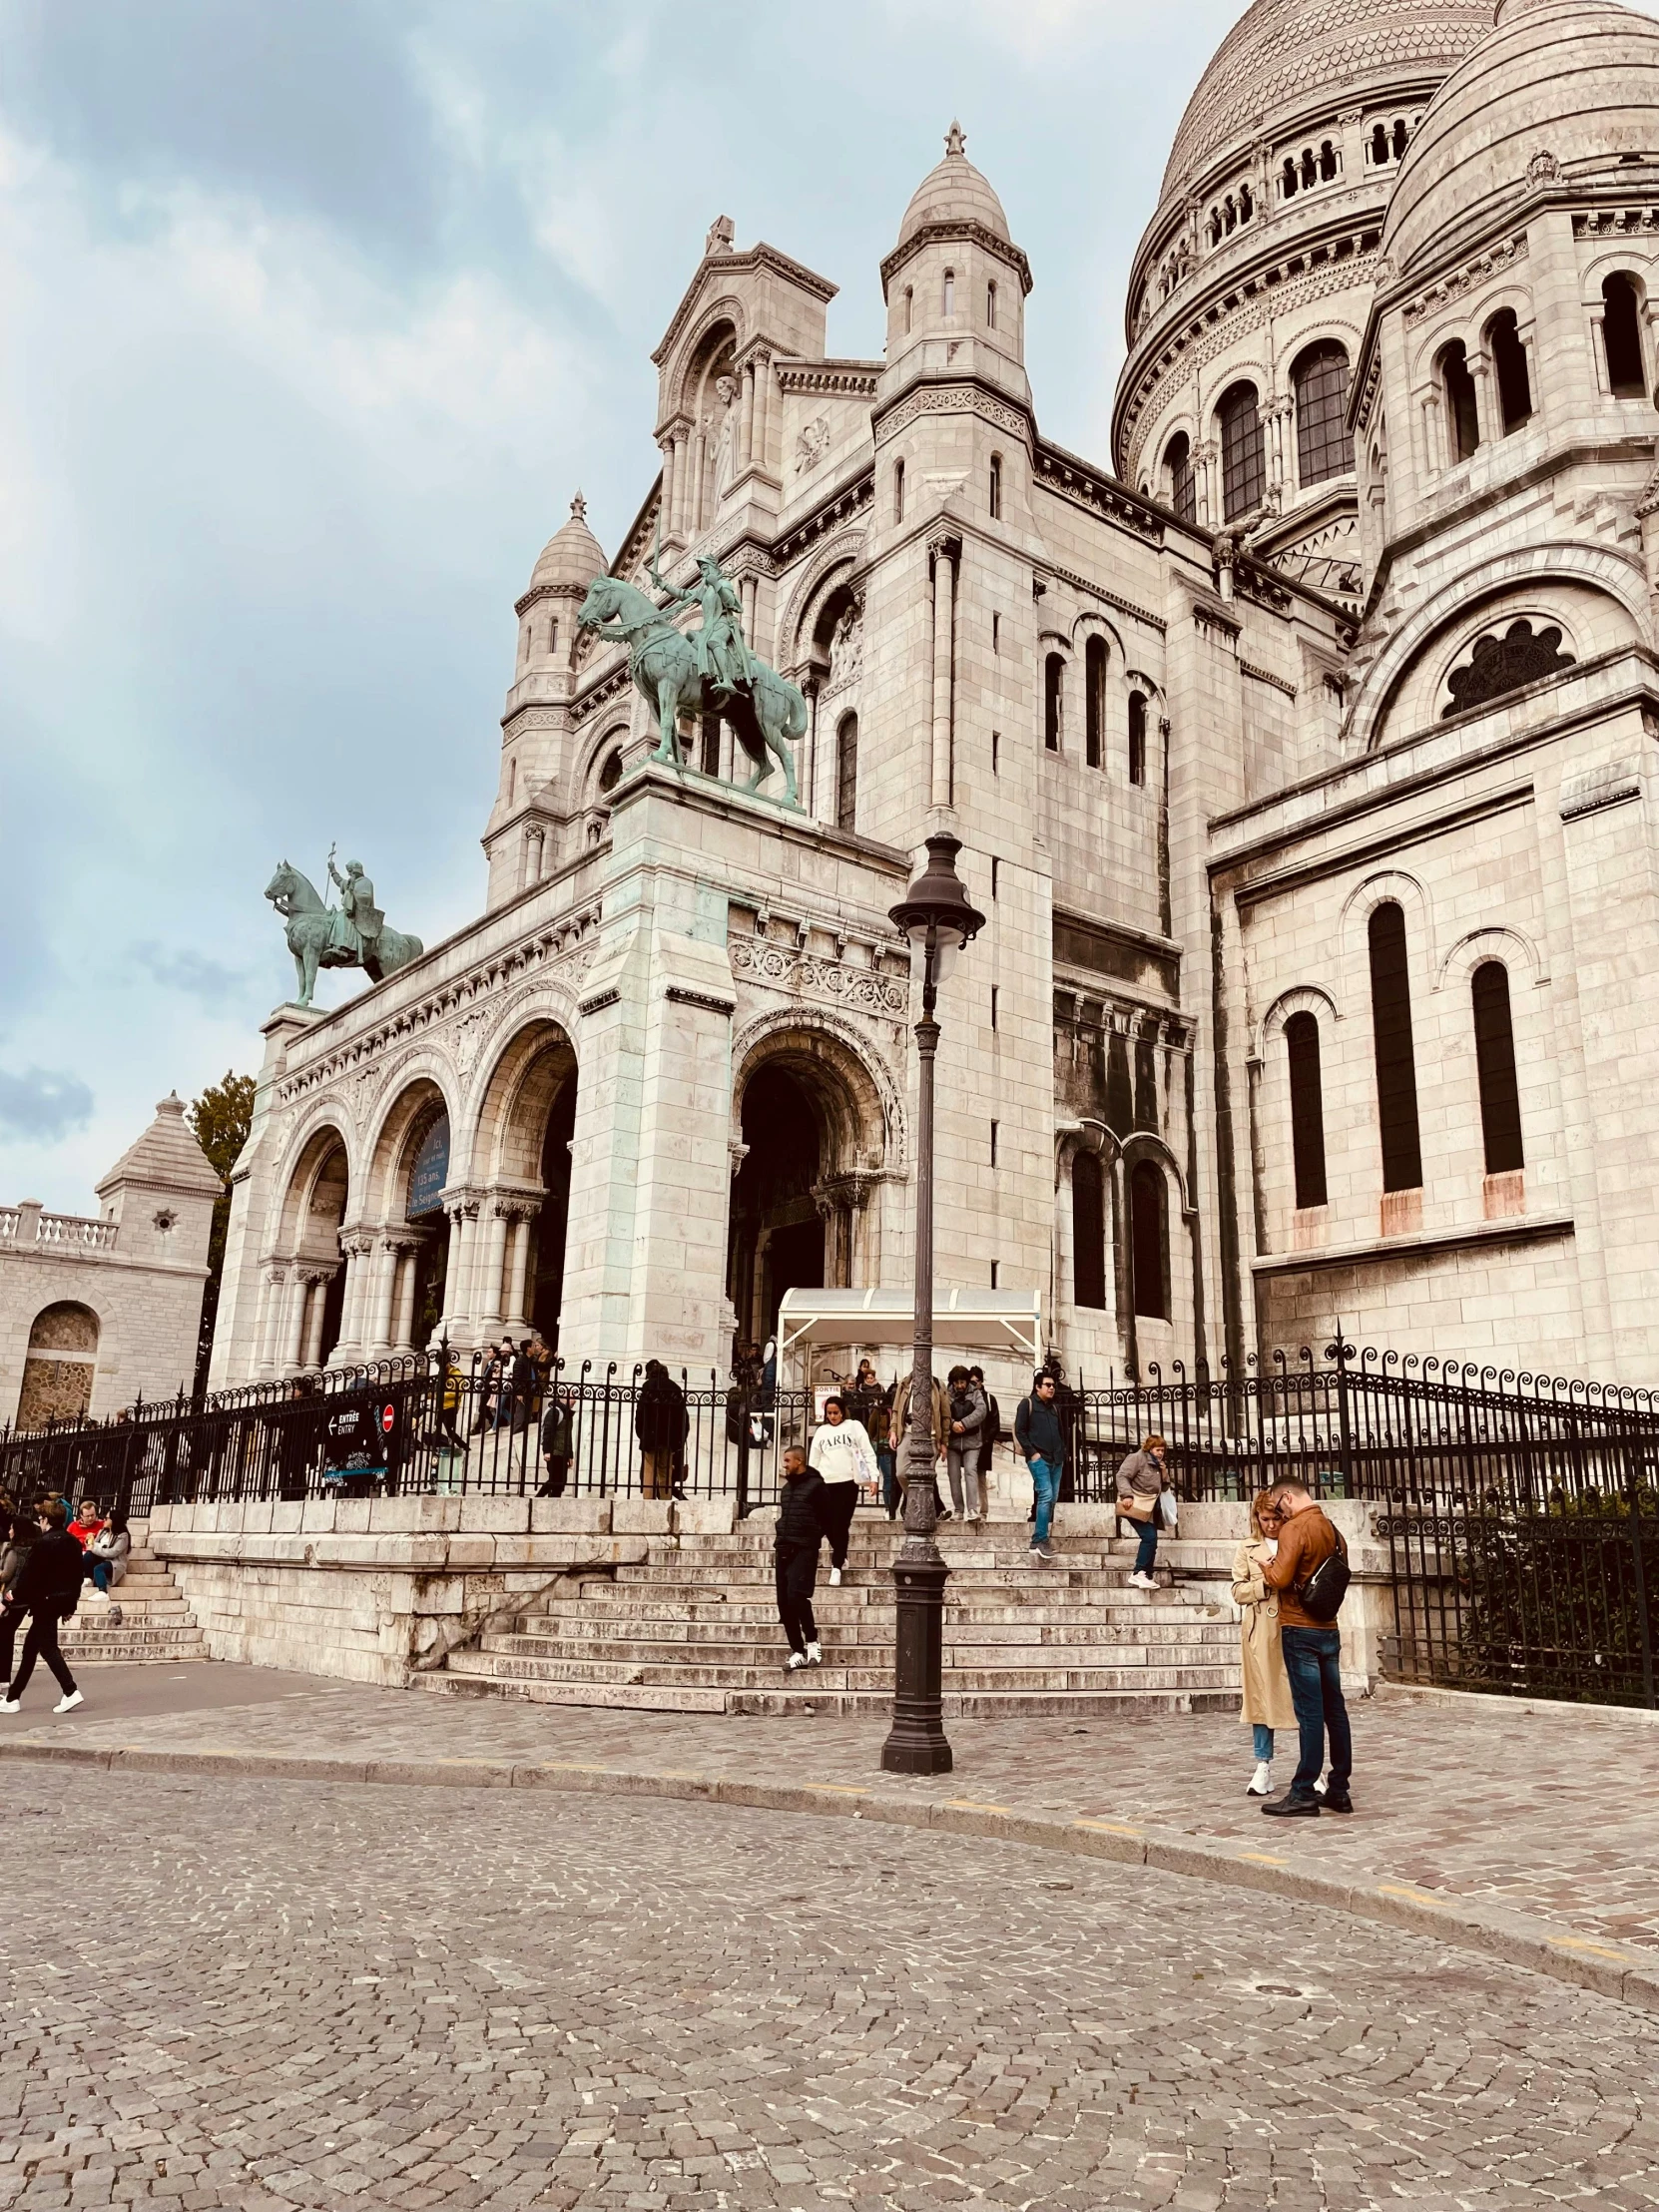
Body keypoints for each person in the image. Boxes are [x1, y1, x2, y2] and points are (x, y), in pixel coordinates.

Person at [1258, 1480, 1353, 1817]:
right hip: (1329, 1628)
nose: (1278, 1513)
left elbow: (1281, 1578)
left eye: (1278, 1505)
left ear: (1288, 1497)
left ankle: (1303, 1793)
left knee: (1309, 1713)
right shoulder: (1333, 1529)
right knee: (1335, 1711)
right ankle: (1339, 1789)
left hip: (1299, 1627)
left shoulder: (1294, 1528)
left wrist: (1265, 1566)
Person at [1232, 1493, 1297, 1797]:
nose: (1271, 1525)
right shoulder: (1246, 1548)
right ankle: (1263, 1766)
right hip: (1259, 1629)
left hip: (1293, 1622)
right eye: (1265, 1519)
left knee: (1302, 1694)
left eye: (1276, 1519)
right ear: (1256, 1518)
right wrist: (1265, 1582)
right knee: (1260, 1697)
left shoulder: (1295, 1542)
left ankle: (1312, 1765)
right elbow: (1237, 1590)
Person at [0, 1500, 85, 1715]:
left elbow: (30, 1576)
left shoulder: (44, 1543)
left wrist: (12, 1597)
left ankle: (70, 1690)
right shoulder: (73, 1542)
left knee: (46, 1648)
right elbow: (77, 1577)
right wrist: (70, 1605)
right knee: (31, 1649)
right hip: (60, 1600)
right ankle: (13, 1697)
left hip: (45, 1601)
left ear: (45, 1520)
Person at [808, 1393, 878, 1586]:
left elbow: (867, 1451)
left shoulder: (854, 1426)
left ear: (842, 1411)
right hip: (825, 1483)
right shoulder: (821, 1432)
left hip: (848, 1482)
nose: (832, 1416)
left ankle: (836, 1565)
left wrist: (874, 1478)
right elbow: (813, 1460)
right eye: (829, 1413)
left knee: (841, 1524)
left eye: (836, 1412)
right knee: (827, 1524)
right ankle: (841, 1554)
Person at [774, 1444, 828, 1671]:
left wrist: (811, 1538)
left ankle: (813, 1640)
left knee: (796, 1596)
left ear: (799, 1461)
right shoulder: (786, 1489)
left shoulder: (817, 1486)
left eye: (787, 1461)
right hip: (783, 1547)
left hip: (804, 1548)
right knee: (784, 1603)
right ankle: (798, 1651)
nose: (784, 1465)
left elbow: (827, 1518)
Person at [1014, 1371, 1065, 1562]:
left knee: (1052, 1499)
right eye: (1048, 1385)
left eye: (1053, 1385)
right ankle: (1039, 1540)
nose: (1052, 1388)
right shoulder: (1027, 1404)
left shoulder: (1054, 1408)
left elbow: (1061, 1432)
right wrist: (1033, 1453)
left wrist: (1063, 1452)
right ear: (1037, 1387)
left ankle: (1040, 1540)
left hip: (1056, 1458)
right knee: (1046, 1495)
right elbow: (1020, 1431)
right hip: (1039, 1458)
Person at [1116, 1435, 1170, 1590]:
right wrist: (1126, 1495)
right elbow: (1121, 1476)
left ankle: (1146, 1575)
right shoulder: (1136, 1458)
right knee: (1149, 1538)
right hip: (1135, 1505)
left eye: (1162, 1450)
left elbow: (1164, 1487)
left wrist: (1164, 1472)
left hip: (1150, 1508)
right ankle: (1139, 1572)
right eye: (1157, 1450)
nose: (1160, 1453)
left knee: (1152, 1541)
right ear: (1149, 1448)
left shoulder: (1157, 1464)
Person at [894, 1370, 949, 1518]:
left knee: (927, 1476)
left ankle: (925, 1510)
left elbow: (945, 1415)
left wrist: (944, 1441)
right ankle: (914, 1501)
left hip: (931, 1435)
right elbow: (896, 1410)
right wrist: (894, 1431)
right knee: (901, 1472)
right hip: (908, 1432)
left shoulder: (938, 1385)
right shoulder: (905, 1383)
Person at [636, 1360, 688, 1501]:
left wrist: (641, 1434)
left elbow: (640, 1414)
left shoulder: (647, 1386)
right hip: (668, 1436)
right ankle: (665, 1499)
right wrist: (678, 1440)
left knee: (649, 1470)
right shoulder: (675, 1388)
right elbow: (682, 1417)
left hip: (650, 1436)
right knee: (665, 1471)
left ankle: (648, 1500)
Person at [944, 1367, 988, 1525]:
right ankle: (958, 1510)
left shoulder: (976, 1393)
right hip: (953, 1442)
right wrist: (952, 1424)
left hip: (972, 1441)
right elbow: (942, 1412)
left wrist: (963, 1424)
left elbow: (981, 1412)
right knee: (953, 1475)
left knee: (971, 1471)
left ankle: (972, 1509)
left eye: (962, 1382)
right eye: (957, 1382)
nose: (960, 1386)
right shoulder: (947, 1394)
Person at [0, 1512, 37, 1685]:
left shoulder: (13, 1551)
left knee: (4, 1638)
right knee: (7, 1637)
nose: (9, 1531)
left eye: (12, 1528)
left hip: (9, 1599)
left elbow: (6, 1575)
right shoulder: (32, 1551)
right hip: (23, 1601)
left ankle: (3, 1678)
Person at [969, 1366, 1000, 1520]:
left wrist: (986, 1440)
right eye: (972, 1382)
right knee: (970, 1475)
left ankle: (983, 1510)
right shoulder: (968, 1398)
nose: (974, 1385)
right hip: (969, 1442)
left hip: (983, 1443)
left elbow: (995, 1423)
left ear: (981, 1382)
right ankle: (972, 1508)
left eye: (976, 1382)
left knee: (980, 1478)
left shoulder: (989, 1399)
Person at [84, 1506, 131, 1599]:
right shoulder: (102, 1532)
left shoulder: (123, 1536)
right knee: (88, 1555)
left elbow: (112, 1553)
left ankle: (103, 1592)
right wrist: (89, 1541)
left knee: (99, 1568)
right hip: (101, 1558)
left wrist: (93, 1547)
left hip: (114, 1562)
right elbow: (94, 1545)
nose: (104, 1520)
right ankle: (87, 1578)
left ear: (114, 1520)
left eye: (106, 1518)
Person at [538, 1388, 575, 1497]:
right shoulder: (555, 1411)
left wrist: (570, 1455)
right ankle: (538, 1498)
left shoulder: (567, 1414)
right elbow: (547, 1432)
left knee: (561, 1483)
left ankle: (553, 1500)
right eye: (573, 1398)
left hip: (563, 1453)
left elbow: (568, 1436)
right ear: (565, 1398)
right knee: (554, 1480)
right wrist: (547, 1451)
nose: (575, 1401)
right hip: (554, 1452)